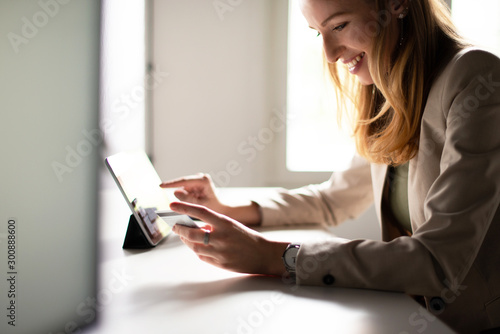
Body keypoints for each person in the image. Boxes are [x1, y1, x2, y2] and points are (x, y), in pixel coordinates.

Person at [160, 0, 500, 332]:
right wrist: (231, 209)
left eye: (339, 26)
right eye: (317, 32)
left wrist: (276, 256)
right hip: (405, 314)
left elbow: (437, 260)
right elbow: (334, 200)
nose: (330, 54)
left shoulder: (475, 77)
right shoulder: (388, 82)